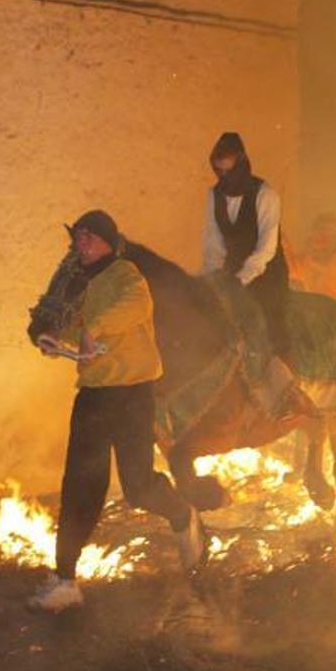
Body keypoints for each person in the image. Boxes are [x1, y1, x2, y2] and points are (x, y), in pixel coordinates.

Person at [29, 210, 207, 613]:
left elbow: (131, 307)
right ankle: (65, 580)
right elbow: (79, 325)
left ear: (109, 241)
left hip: (131, 395)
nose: (81, 244)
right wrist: (55, 338)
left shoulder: (128, 276)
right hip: (94, 395)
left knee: (138, 487)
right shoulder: (84, 282)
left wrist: (93, 331)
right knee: (80, 485)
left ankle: (183, 515)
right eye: (78, 238)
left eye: (89, 237)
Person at [200, 132, 292, 360]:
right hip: (231, 272)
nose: (223, 177)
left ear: (241, 164)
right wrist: (215, 277)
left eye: (228, 171)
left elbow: (266, 249)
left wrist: (240, 280)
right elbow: (213, 243)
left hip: (266, 274)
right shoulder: (214, 195)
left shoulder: (266, 195)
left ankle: (285, 373)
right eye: (218, 171)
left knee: (271, 325)